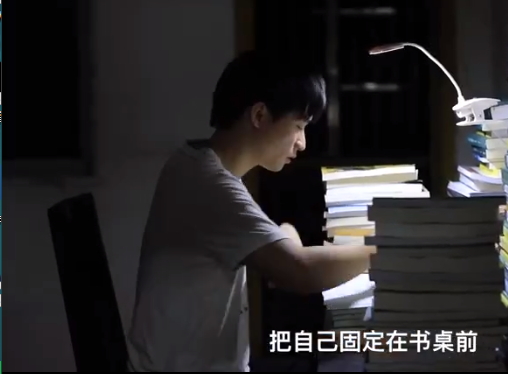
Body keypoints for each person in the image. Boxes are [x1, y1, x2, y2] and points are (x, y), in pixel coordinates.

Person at [127, 50, 376, 372]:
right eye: (298, 126)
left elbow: (277, 250)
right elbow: (300, 271)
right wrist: (389, 249)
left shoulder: (195, 164)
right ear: (259, 115)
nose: (302, 143)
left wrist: (285, 237)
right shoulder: (211, 185)